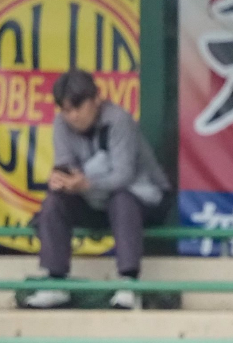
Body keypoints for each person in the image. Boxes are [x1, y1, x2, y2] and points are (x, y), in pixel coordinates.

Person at [25, 69, 171, 310]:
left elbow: (124, 176)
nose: (72, 116)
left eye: (78, 107)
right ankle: (55, 281)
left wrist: (86, 184)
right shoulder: (61, 124)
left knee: (122, 199)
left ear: (96, 99)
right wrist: (62, 180)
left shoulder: (119, 120)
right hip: (94, 199)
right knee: (54, 201)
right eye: (66, 109)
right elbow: (65, 164)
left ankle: (129, 283)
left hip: (145, 198)